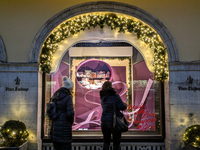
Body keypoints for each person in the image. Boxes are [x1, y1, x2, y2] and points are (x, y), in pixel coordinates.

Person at [100, 81, 127, 150]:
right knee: (116, 143)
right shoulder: (115, 95)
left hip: (104, 121)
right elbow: (122, 107)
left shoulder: (102, 97)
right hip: (114, 121)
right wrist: (125, 104)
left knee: (106, 142)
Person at [50, 76, 74, 150]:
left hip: (55, 128)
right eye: (72, 88)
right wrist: (70, 123)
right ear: (69, 88)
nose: (72, 90)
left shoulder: (55, 95)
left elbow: (50, 110)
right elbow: (70, 114)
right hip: (65, 130)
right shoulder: (68, 97)